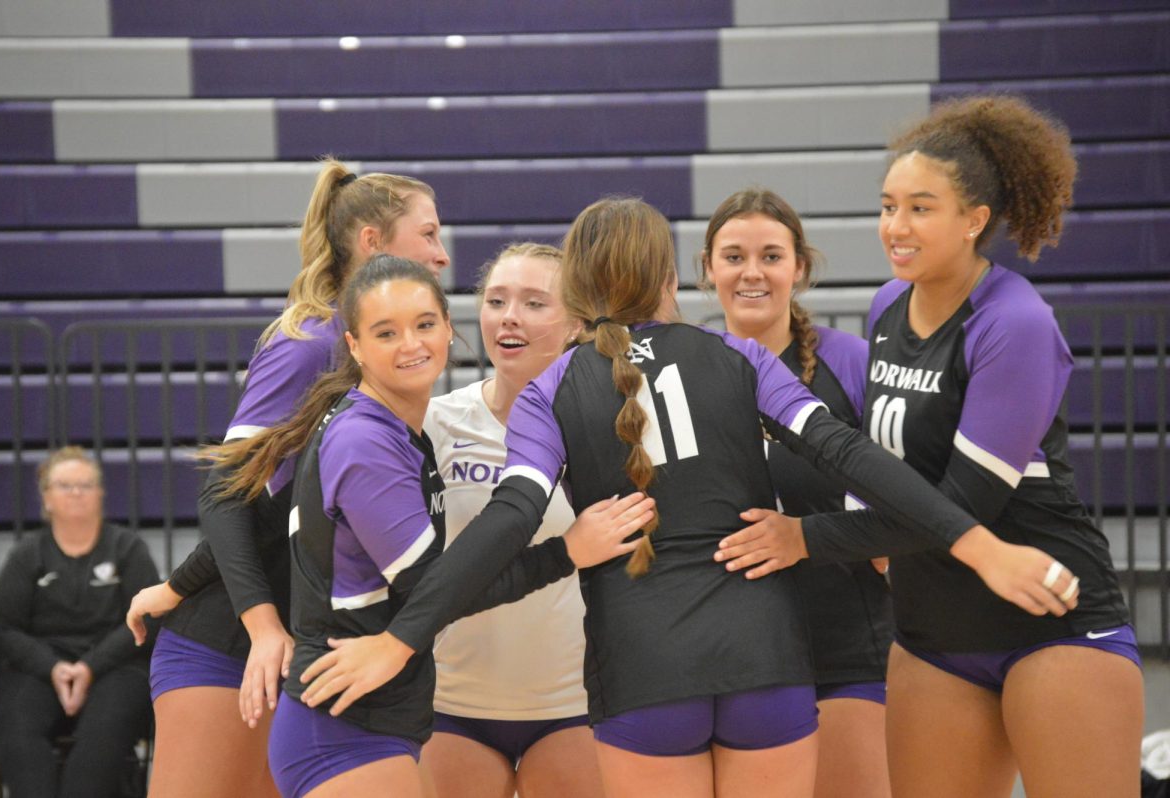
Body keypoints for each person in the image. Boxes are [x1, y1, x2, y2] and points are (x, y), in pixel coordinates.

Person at [297, 197, 1081, 798]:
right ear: (668, 277)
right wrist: (983, 546)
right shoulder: (738, 356)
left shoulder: (551, 390)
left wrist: (401, 639)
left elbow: (506, 525)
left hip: (642, 669)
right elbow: (851, 456)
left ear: (574, 284)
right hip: (764, 658)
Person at [716, 96, 1143, 798]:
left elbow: (960, 508)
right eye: (888, 206)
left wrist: (805, 537)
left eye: (921, 208)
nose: (896, 227)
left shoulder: (1015, 322)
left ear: (975, 219)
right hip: (930, 637)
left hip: (1049, 624)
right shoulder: (888, 305)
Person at [187, 254, 650, 797]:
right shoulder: (391, 432)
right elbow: (429, 588)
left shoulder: (404, 428)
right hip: (393, 713)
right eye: (496, 300)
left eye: (425, 325)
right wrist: (565, 551)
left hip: (526, 705)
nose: (509, 317)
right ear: (354, 345)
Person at [124, 159, 450, 797]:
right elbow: (227, 491)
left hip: (302, 648)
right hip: (229, 641)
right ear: (372, 243)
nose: (441, 255)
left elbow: (293, 512)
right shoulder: (310, 343)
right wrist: (260, 622)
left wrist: (177, 581)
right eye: (430, 233)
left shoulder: (393, 365)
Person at [700, 188, 892, 798]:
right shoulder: (683, 368)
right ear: (707, 268)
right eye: (733, 256)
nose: (751, 272)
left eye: (771, 256)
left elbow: (905, 502)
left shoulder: (853, 363)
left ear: (799, 268)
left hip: (844, 644)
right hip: (722, 656)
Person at [422, 243, 603, 797]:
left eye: (533, 302)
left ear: (575, 323)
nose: (510, 317)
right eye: (497, 300)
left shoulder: (604, 430)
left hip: (575, 705)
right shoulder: (437, 422)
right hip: (452, 705)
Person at [0, 446, 159, 798]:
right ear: (46, 498)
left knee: (107, 731)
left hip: (115, 665)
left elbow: (147, 619)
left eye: (86, 484)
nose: (77, 493)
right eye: (65, 485)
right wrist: (52, 667)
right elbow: (2, 627)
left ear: (101, 494)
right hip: (38, 667)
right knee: (17, 729)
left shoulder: (127, 548)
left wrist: (89, 667)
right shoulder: (28, 554)